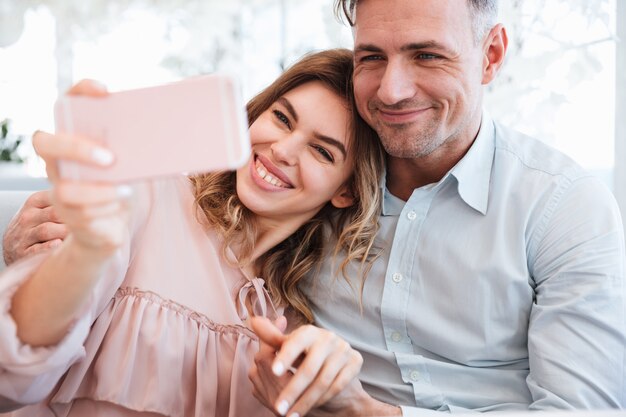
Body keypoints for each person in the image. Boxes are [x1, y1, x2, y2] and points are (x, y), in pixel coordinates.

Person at [247, 0, 626, 415]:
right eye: (372, 57)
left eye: (427, 55)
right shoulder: (321, 179)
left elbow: (582, 410)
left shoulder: (563, 206)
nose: (391, 91)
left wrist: (362, 411)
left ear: (491, 55)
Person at [0, 48, 386, 416]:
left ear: (346, 190)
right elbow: (10, 380)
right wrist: (84, 253)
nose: (283, 149)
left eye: (322, 151)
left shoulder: (301, 319)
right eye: (282, 118)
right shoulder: (147, 195)